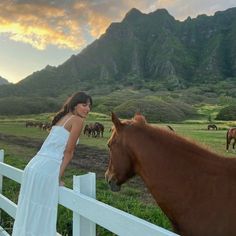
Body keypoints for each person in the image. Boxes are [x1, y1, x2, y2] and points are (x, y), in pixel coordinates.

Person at [12, 91, 92, 236]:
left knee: (29, 212)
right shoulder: (78, 121)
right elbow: (69, 152)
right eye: (84, 105)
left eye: (90, 106)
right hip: (48, 168)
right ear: (75, 105)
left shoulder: (62, 118)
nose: (88, 109)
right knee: (41, 215)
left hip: (33, 166)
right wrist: (57, 177)